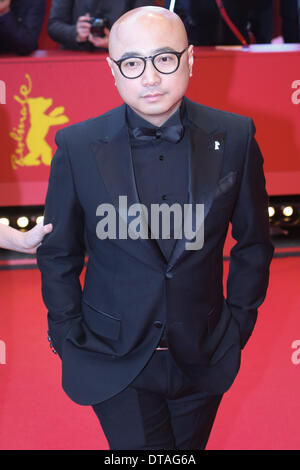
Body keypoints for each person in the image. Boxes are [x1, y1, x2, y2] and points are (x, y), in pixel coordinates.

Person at [37, 6, 274, 450]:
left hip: (203, 352)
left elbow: (254, 242)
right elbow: (58, 253)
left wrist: (238, 324)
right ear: (113, 70)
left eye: (164, 59)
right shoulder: (77, 146)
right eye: (132, 63)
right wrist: (67, 334)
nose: (149, 77)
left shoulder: (236, 137)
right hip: (111, 354)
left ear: (189, 61)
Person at [48, 0, 155, 52]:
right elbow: (54, 25)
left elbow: (144, 27)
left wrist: (115, 42)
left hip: (123, 60)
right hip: (76, 57)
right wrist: (76, 33)